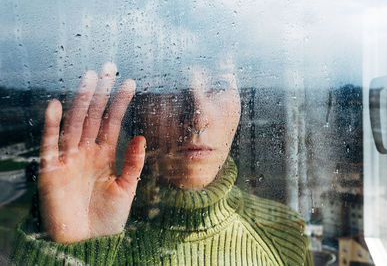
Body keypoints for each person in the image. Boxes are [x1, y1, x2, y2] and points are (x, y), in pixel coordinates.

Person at [12, 61, 313, 265]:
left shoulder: (284, 235)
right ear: (135, 108)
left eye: (219, 84)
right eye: (167, 87)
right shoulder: (96, 226)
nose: (197, 117)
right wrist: (73, 251)